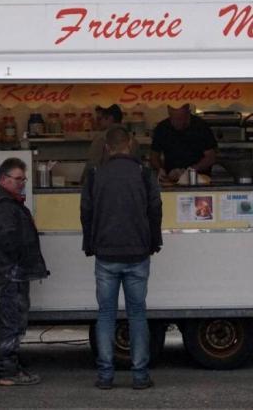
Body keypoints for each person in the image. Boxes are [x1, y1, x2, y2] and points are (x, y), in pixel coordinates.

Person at [80, 126, 163, 390]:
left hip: (105, 253)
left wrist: (89, 243)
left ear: (107, 146)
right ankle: (140, 375)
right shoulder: (144, 173)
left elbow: (86, 212)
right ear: (130, 144)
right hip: (138, 253)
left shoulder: (96, 175)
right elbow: (155, 210)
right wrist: (153, 242)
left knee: (106, 315)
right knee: (137, 314)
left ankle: (105, 375)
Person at [0, 157, 50, 386]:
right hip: (11, 273)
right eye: (18, 179)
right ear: (4, 179)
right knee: (13, 324)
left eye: (24, 179)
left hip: (4, 271)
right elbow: (9, 239)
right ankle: (8, 372)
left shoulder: (5, 202)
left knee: (4, 322)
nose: (22, 183)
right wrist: (25, 256)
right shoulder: (5, 205)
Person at [150, 103, 217, 182]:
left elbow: (211, 157)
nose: (176, 122)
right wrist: (160, 169)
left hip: (198, 180)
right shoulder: (162, 128)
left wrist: (191, 170)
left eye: (180, 119)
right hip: (171, 180)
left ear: (188, 113)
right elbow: (154, 155)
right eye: (173, 118)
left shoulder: (201, 127)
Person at [81, 104, 140, 181]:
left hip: (106, 185)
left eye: (99, 119)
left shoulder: (101, 138)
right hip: (130, 185)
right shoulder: (134, 140)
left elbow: (92, 165)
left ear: (110, 118)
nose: (97, 122)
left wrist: (83, 182)